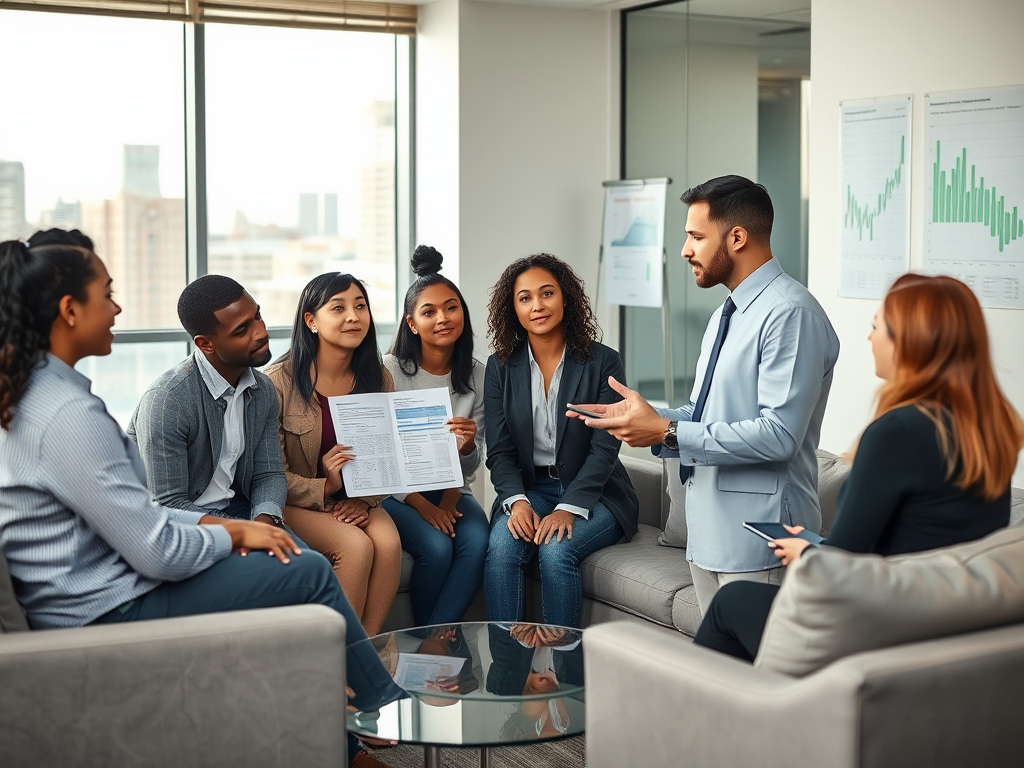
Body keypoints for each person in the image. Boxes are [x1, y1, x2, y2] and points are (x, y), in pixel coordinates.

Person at [0, 231, 402, 768]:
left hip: (113, 580)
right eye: (107, 294)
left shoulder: (45, 393)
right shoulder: (76, 412)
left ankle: (344, 732)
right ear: (70, 310)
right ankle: (375, 710)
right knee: (305, 572)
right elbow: (156, 543)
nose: (118, 307)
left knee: (296, 566)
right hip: (104, 604)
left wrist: (257, 520)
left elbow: (259, 476)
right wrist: (235, 532)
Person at [693, 273, 1024, 662]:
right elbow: (924, 542)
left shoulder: (896, 433)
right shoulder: (990, 430)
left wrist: (805, 551)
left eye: (877, 327)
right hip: (944, 624)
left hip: (880, 625)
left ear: (910, 342)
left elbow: (838, 565)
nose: (869, 339)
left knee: (731, 602)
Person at [568, 175, 840, 615]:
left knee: (758, 679)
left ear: (737, 237)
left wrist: (668, 431)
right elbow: (702, 412)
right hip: (709, 536)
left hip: (765, 540)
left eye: (696, 236)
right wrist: (642, 416)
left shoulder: (791, 314)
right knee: (719, 676)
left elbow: (779, 436)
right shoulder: (724, 314)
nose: (684, 250)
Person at [483, 253, 638, 628]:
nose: (537, 306)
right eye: (525, 298)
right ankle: (507, 675)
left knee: (555, 551)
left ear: (565, 297)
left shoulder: (604, 362)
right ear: (514, 309)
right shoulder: (500, 366)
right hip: (530, 487)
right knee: (502, 549)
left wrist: (569, 507)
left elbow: (605, 448)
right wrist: (516, 502)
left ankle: (565, 676)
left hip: (595, 492)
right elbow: (500, 450)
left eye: (547, 293)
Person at [265, 273, 401, 636]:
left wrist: (366, 499)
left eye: (360, 306)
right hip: (299, 501)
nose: (353, 317)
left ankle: (366, 649)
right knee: (355, 546)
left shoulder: (379, 378)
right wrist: (326, 486)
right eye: (338, 308)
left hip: (357, 499)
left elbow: (387, 459)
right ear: (311, 321)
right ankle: (336, 656)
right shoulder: (277, 382)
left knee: (388, 544)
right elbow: (271, 476)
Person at [382, 245, 489, 625]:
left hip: (452, 488)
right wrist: (422, 505)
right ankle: (433, 646)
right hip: (396, 492)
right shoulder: (388, 372)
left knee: (478, 543)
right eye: (428, 312)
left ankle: (432, 643)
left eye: (451, 307)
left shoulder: (477, 375)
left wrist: (468, 447)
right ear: (411, 323)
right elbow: (381, 456)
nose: (442, 318)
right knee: (436, 547)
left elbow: (473, 464)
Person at [127, 276, 286, 526]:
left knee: (310, 562)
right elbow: (167, 504)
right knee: (303, 566)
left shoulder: (262, 388)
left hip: (238, 512)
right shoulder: (168, 400)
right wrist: (243, 532)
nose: (262, 332)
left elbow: (269, 474)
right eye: (242, 330)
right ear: (206, 344)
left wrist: (264, 524)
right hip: (178, 525)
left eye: (258, 316)